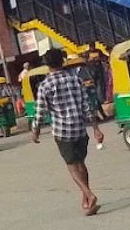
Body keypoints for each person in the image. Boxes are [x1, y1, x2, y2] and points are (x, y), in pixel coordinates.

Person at [31, 48, 105, 216]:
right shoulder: (75, 80)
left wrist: (35, 131)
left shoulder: (45, 85)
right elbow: (87, 105)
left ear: (47, 64)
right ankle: (86, 200)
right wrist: (96, 128)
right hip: (80, 129)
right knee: (81, 163)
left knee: (72, 166)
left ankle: (89, 194)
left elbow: (40, 112)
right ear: (62, 62)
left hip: (63, 132)